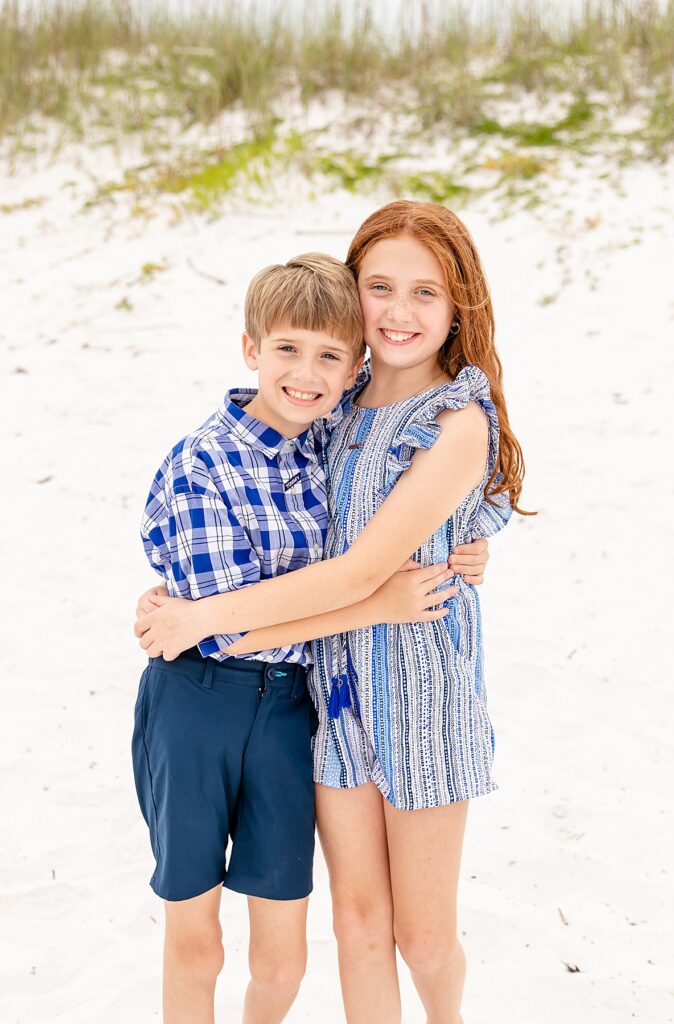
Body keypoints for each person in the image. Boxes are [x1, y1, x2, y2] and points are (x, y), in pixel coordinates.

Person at [133, 250, 488, 1024]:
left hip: (317, 701)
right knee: (235, 936)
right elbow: (255, 616)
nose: (309, 370)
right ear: (251, 349)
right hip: (235, 699)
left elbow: (383, 534)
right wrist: (192, 616)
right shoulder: (238, 452)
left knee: (338, 951)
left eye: (330, 355)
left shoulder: (355, 429)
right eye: (288, 350)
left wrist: (466, 546)